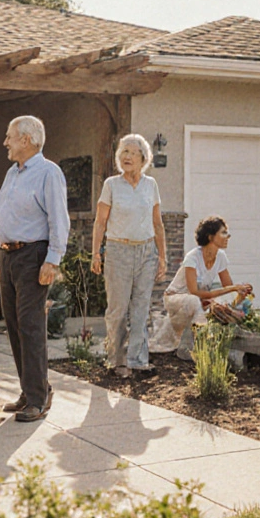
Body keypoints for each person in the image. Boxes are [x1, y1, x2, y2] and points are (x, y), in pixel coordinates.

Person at [0, 116, 69, 422]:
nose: (5, 142)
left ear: (27, 140)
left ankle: (38, 397)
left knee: (31, 327)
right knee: (15, 327)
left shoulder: (49, 173)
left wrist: (53, 260)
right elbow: (1, 217)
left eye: (9, 137)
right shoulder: (13, 172)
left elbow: (59, 219)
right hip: (7, 256)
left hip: (33, 255)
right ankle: (29, 391)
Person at [91, 134, 167, 379]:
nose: (126, 156)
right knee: (118, 309)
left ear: (143, 158)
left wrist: (162, 257)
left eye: (132, 152)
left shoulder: (150, 185)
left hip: (146, 252)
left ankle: (137, 361)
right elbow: (100, 222)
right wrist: (96, 253)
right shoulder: (111, 185)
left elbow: (158, 224)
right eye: (123, 152)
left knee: (141, 308)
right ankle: (116, 360)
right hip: (118, 251)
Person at [151, 215, 252, 356]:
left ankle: (229, 347)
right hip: (176, 298)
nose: (228, 236)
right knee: (193, 301)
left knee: (234, 305)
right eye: (223, 232)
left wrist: (239, 294)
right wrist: (232, 289)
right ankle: (201, 348)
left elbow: (228, 288)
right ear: (211, 237)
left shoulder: (221, 256)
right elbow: (194, 292)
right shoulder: (193, 257)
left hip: (199, 299)